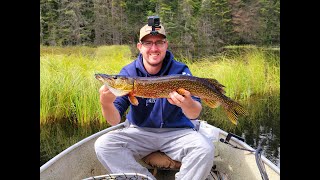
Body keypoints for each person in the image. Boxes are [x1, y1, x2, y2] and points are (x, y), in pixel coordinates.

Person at [94, 20, 214, 180]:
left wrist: (187, 103)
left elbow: (194, 114)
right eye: (148, 43)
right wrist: (106, 103)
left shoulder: (180, 70)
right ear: (140, 47)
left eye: (159, 43)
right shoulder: (129, 73)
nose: (154, 48)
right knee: (103, 145)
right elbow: (114, 121)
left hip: (177, 133)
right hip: (140, 132)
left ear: (166, 45)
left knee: (204, 149)